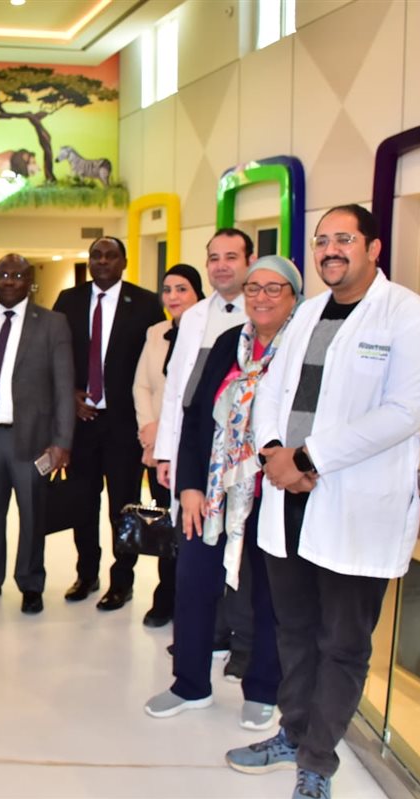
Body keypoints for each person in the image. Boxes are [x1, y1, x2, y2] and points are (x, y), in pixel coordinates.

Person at [228, 205, 420, 799]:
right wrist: (274, 452)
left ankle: (318, 762)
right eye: (322, 240)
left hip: (353, 504)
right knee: (293, 630)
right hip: (290, 499)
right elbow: (272, 390)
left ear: (373, 247)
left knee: (342, 643)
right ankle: (293, 733)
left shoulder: (407, 316)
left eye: (344, 238)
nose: (330, 250)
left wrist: (308, 458)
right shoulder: (308, 313)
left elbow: (403, 413)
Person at [144, 256, 300, 733]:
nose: (261, 298)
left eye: (273, 289)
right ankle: (189, 683)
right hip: (213, 491)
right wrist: (190, 485)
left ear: (295, 297)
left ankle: (264, 689)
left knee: (269, 593)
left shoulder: (301, 347)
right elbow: (194, 416)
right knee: (193, 581)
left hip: (272, 491)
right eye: (254, 289)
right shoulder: (229, 343)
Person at [153, 229, 256, 675]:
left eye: (231, 257)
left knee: (244, 549)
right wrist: (166, 455)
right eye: (214, 258)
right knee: (196, 547)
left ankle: (243, 644)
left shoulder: (266, 313)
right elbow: (176, 391)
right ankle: (203, 639)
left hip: (245, 456)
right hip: (196, 450)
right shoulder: (193, 316)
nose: (221, 266)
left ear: (249, 260)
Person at [52, 236, 166, 614]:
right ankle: (86, 574)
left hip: (124, 427)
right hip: (80, 425)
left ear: (124, 262)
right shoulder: (68, 301)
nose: (102, 261)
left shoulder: (146, 304)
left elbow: (153, 366)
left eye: (110, 256)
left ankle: (122, 581)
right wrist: (69, 393)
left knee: (123, 508)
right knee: (81, 506)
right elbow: (55, 357)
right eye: (96, 255)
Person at [0, 254, 74, 615]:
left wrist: (62, 442)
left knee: (33, 515)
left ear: (30, 282)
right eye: (2, 275)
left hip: (33, 440)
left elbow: (64, 386)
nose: (9, 281)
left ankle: (30, 582)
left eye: (17, 275)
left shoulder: (52, 324)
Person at [132, 263, 205, 626]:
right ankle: (166, 597)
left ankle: (196, 602)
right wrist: (149, 428)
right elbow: (142, 385)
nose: (173, 297)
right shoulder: (156, 332)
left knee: (196, 527)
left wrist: (166, 431)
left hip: (194, 446)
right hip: (158, 448)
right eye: (168, 289)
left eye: (182, 289)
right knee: (165, 524)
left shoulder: (212, 330)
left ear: (198, 293)